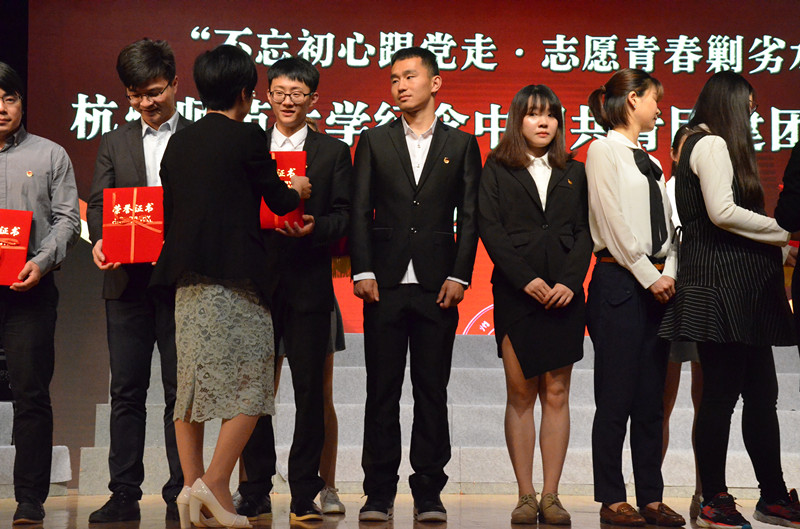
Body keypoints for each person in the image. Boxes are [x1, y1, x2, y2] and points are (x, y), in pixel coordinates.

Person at [149, 44, 311, 529]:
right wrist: (299, 189)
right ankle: (216, 483)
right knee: (254, 385)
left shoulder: (179, 142)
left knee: (190, 387)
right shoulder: (247, 137)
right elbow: (279, 201)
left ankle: (190, 487)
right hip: (237, 283)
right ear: (246, 92)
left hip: (185, 285)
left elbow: (171, 214)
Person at [660, 71, 800, 529]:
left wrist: (777, 246)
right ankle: (714, 499)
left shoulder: (700, 143)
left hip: (743, 288)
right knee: (721, 396)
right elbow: (721, 213)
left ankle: (773, 495)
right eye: (749, 108)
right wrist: (782, 232)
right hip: (722, 288)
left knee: (761, 395)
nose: (753, 117)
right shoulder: (710, 143)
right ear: (730, 105)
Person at [350, 46, 481, 523]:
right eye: (394, 79)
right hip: (382, 285)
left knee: (431, 391)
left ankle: (428, 491)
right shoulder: (373, 140)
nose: (400, 86)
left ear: (435, 83)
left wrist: (460, 274)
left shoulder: (461, 144)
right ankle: (378, 492)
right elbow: (360, 209)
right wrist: (362, 270)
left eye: (409, 76)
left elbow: (470, 215)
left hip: (437, 286)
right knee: (381, 392)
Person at [235, 56, 351, 522]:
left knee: (309, 391)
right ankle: (255, 488)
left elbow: (345, 216)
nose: (288, 101)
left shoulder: (333, 152)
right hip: (255, 284)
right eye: (280, 92)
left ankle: (305, 491)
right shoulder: (249, 145)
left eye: (297, 94)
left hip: (308, 283)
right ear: (267, 95)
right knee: (255, 390)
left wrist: (315, 226)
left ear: (313, 99)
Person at [478, 85, 591, 525]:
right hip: (516, 292)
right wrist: (526, 280)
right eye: (533, 114)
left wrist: (569, 282)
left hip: (565, 295)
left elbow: (586, 231)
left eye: (550, 115)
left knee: (557, 393)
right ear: (517, 120)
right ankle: (525, 495)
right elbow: (490, 228)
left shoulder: (575, 170)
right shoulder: (497, 167)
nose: (543, 122)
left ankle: (551, 495)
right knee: (521, 393)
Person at [86, 38, 188, 523]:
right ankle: (123, 493)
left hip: (181, 284)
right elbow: (100, 202)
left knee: (178, 393)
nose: (146, 102)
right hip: (125, 283)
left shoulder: (195, 138)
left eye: (154, 91)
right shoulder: (115, 141)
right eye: (135, 94)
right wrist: (100, 240)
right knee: (126, 391)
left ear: (175, 84)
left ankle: (180, 493)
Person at [584, 68, 685, 527]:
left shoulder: (651, 161)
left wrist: (670, 272)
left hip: (658, 285)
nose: (659, 109)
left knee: (650, 400)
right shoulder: (602, 151)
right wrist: (648, 275)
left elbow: (670, 228)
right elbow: (612, 225)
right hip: (620, 284)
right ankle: (611, 497)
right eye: (654, 99)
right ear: (632, 100)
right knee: (615, 397)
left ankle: (651, 497)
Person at [0, 61, 81, 525]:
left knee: (30, 394)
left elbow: (68, 219)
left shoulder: (51, 154)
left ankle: (29, 498)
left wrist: (42, 260)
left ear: (22, 102)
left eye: (9, 98)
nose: (2, 108)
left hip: (29, 288)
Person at [661, 124, 704, 520]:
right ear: (675, 155)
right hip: (670, 295)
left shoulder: (716, 188)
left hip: (708, 295)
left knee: (706, 401)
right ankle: (651, 493)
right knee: (662, 401)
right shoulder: (665, 190)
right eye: (688, 149)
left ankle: (704, 491)